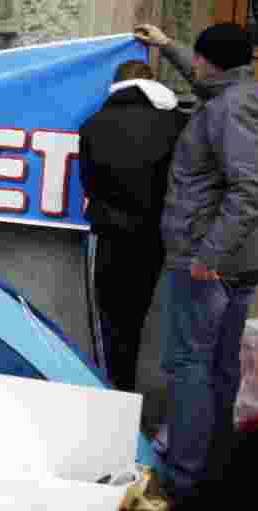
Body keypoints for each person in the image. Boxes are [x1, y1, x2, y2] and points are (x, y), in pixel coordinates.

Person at [134, 23, 258, 508]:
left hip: (208, 261)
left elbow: (250, 190)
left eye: (196, 56)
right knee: (217, 366)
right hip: (234, 259)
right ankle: (215, 467)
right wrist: (166, 46)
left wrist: (208, 254)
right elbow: (205, 85)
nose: (192, 64)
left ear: (210, 62)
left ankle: (183, 478)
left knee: (188, 366)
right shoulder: (237, 93)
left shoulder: (231, 109)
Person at [79, 60, 188, 392]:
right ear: (153, 84)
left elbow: (89, 182)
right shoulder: (178, 124)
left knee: (108, 321)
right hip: (157, 236)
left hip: (108, 234)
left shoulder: (93, 125)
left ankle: (115, 391)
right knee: (143, 317)